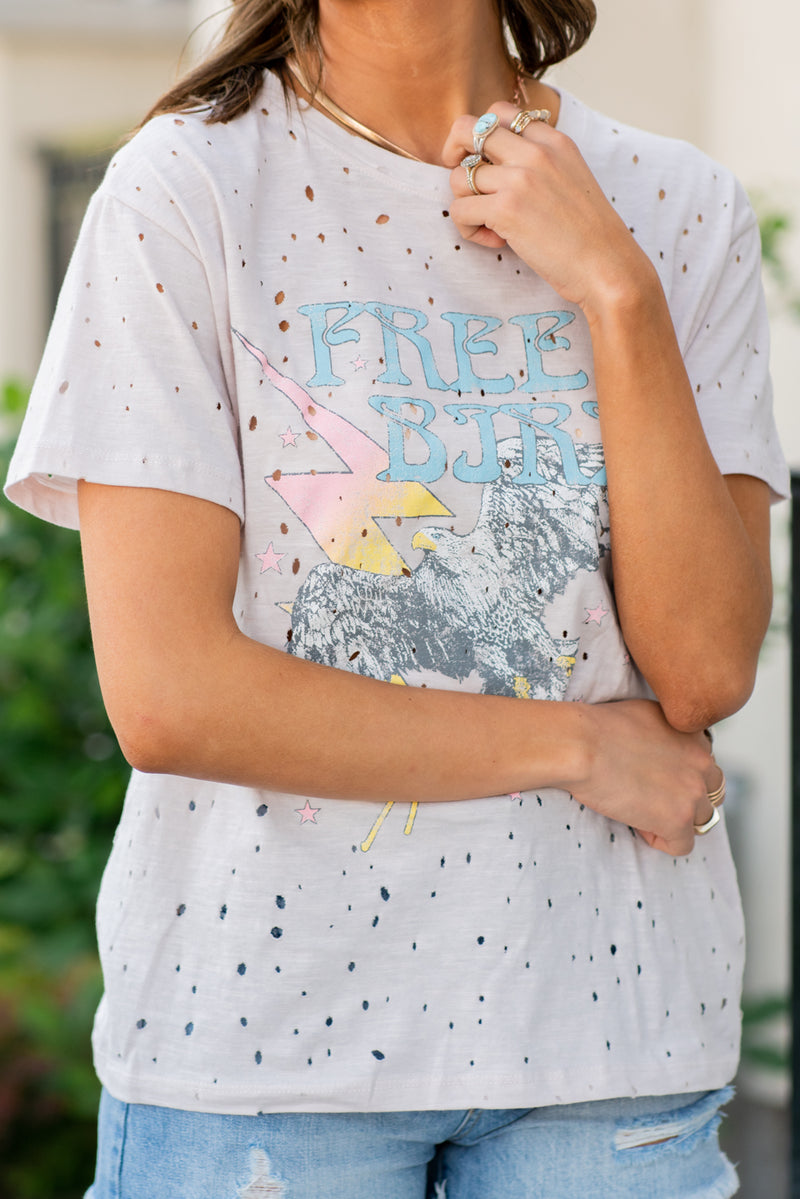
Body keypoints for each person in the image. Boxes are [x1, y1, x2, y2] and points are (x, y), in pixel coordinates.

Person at [4, 0, 789, 1195]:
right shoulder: (185, 189)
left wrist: (615, 292)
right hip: (264, 1054)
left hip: (608, 1039)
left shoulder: (675, 205)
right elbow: (170, 694)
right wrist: (581, 746)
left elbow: (703, 666)